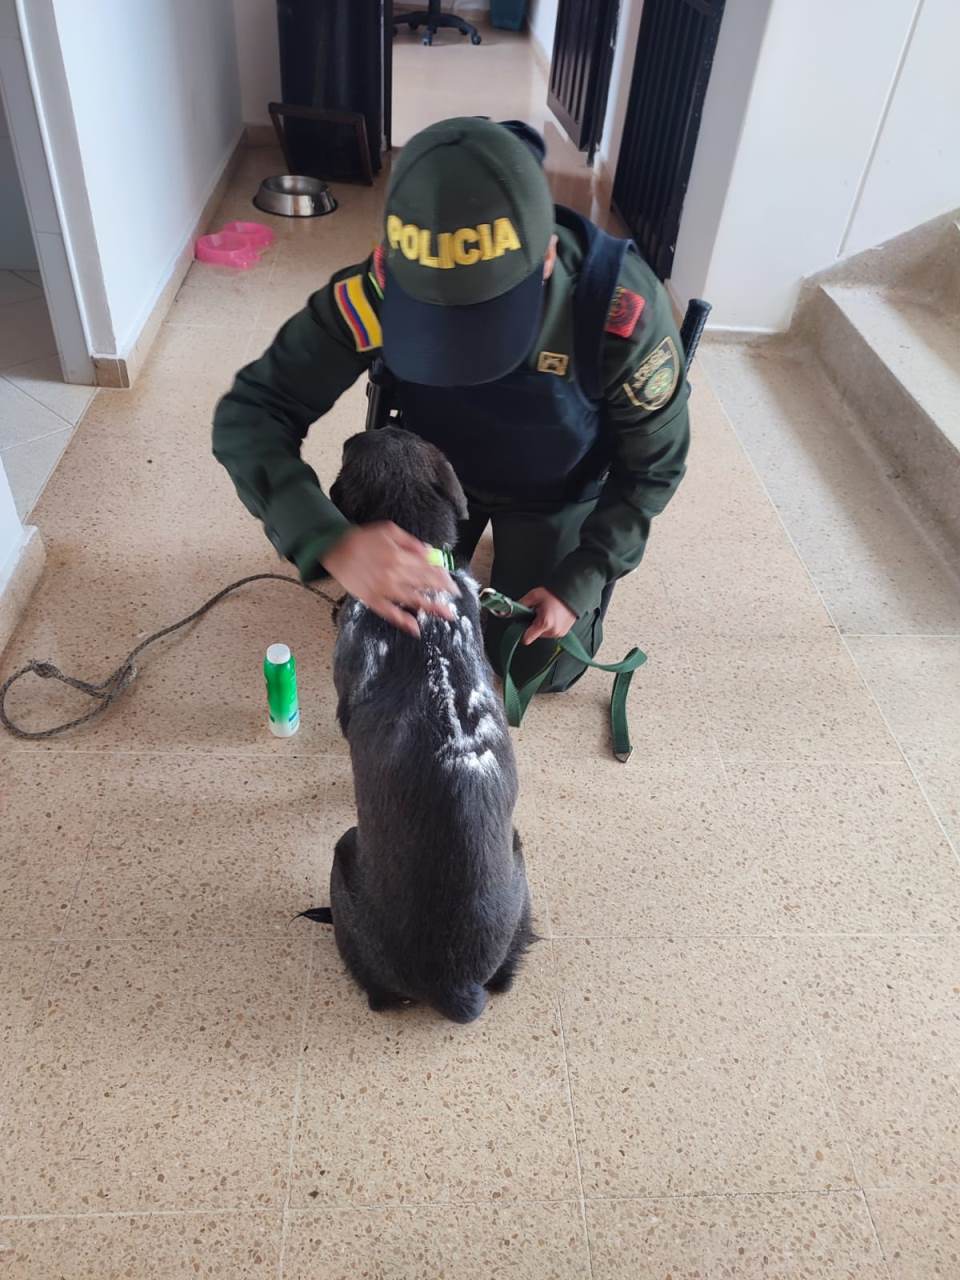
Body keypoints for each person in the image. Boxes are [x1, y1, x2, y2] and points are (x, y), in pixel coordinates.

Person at [213, 116, 689, 693]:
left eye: (486, 321)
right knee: (397, 636)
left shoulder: (618, 313)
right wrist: (330, 540)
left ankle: (530, 561)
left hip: (556, 490)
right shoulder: (379, 290)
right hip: (429, 476)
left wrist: (581, 581)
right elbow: (252, 413)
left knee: (532, 669)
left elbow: (653, 467)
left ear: (546, 258)